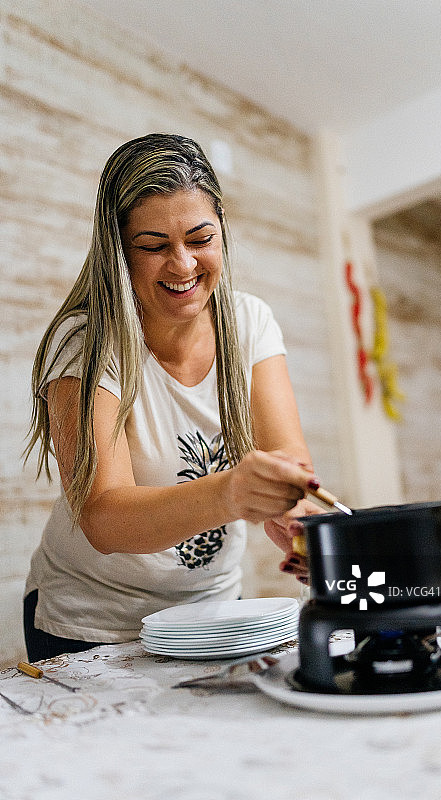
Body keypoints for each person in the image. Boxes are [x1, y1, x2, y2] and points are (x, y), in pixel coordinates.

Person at [23, 133, 318, 662]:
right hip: (94, 621)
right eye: (154, 246)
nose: (182, 265)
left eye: (200, 239)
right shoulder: (86, 344)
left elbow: (287, 464)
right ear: (119, 250)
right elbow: (103, 519)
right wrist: (232, 493)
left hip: (213, 613)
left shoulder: (250, 323)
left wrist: (293, 514)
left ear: (223, 231)